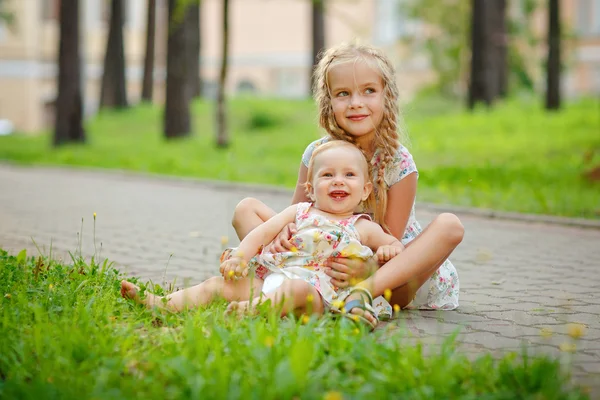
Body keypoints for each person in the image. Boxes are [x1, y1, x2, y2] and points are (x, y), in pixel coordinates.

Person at [231, 42, 464, 318]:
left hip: (387, 278)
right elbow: (298, 214)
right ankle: (291, 290)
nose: (356, 103)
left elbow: (390, 244)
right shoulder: (316, 153)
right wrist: (281, 231)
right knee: (246, 209)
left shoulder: (398, 163)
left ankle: (360, 294)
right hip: (319, 261)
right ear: (329, 101)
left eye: (369, 91)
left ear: (386, 96)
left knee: (450, 225)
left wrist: (367, 269)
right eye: (343, 93)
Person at [121, 141, 404, 330]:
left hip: (319, 297)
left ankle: (251, 311)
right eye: (327, 175)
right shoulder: (300, 212)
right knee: (216, 284)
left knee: (295, 289)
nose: (338, 180)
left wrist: (389, 249)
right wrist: (241, 256)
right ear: (310, 186)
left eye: (349, 175)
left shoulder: (362, 225)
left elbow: (393, 244)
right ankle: (163, 305)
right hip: (272, 281)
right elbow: (262, 232)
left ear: (366, 190)